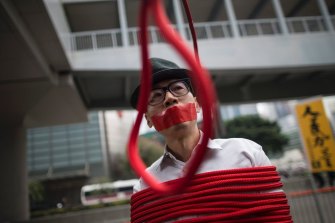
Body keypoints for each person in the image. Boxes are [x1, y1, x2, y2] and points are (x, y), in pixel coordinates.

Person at [130, 57, 274, 192]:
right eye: (156, 96)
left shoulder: (248, 153)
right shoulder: (145, 185)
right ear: (148, 119)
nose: (170, 98)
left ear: (197, 104)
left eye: (178, 88)